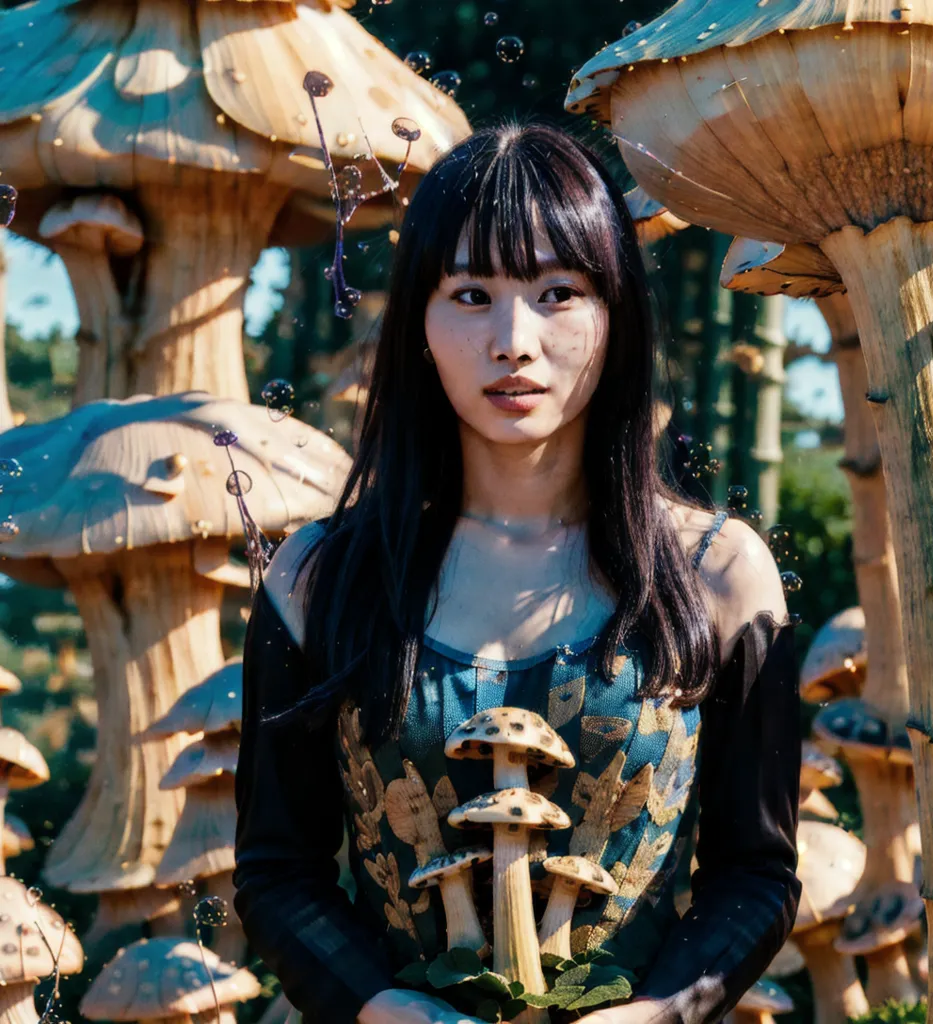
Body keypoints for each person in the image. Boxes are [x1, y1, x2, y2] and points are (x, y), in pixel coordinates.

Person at [234, 122, 801, 1024]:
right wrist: (378, 1007)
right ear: (418, 323)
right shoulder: (318, 575)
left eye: (556, 292)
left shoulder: (718, 574)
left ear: (615, 314)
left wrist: (662, 1013)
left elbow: (756, 874)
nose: (513, 339)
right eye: (470, 293)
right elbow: (275, 871)